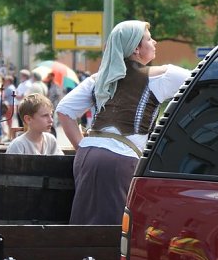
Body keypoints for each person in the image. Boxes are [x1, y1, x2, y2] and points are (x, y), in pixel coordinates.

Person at [57, 20, 190, 225]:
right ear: (136, 48)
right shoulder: (164, 76)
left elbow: (64, 111)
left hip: (87, 155)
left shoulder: (99, 79)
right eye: (148, 39)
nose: (154, 42)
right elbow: (203, 81)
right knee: (118, 230)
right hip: (120, 160)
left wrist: (81, 146)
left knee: (83, 225)